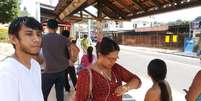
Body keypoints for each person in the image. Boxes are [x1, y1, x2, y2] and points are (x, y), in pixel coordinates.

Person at [76, 37, 141, 101]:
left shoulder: (116, 68)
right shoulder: (86, 74)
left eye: (115, 58)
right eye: (110, 58)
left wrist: (126, 87)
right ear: (100, 55)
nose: (113, 62)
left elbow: (137, 80)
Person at [0, 16, 44, 101]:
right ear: (13, 39)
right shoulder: (6, 71)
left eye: (39, 34)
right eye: (29, 34)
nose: (37, 39)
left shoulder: (35, 65)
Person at [42, 19, 71, 101]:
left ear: (47, 27)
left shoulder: (43, 38)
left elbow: (35, 52)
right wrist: (70, 60)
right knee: (60, 93)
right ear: (57, 27)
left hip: (48, 71)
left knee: (43, 94)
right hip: (61, 70)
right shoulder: (63, 38)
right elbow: (73, 49)